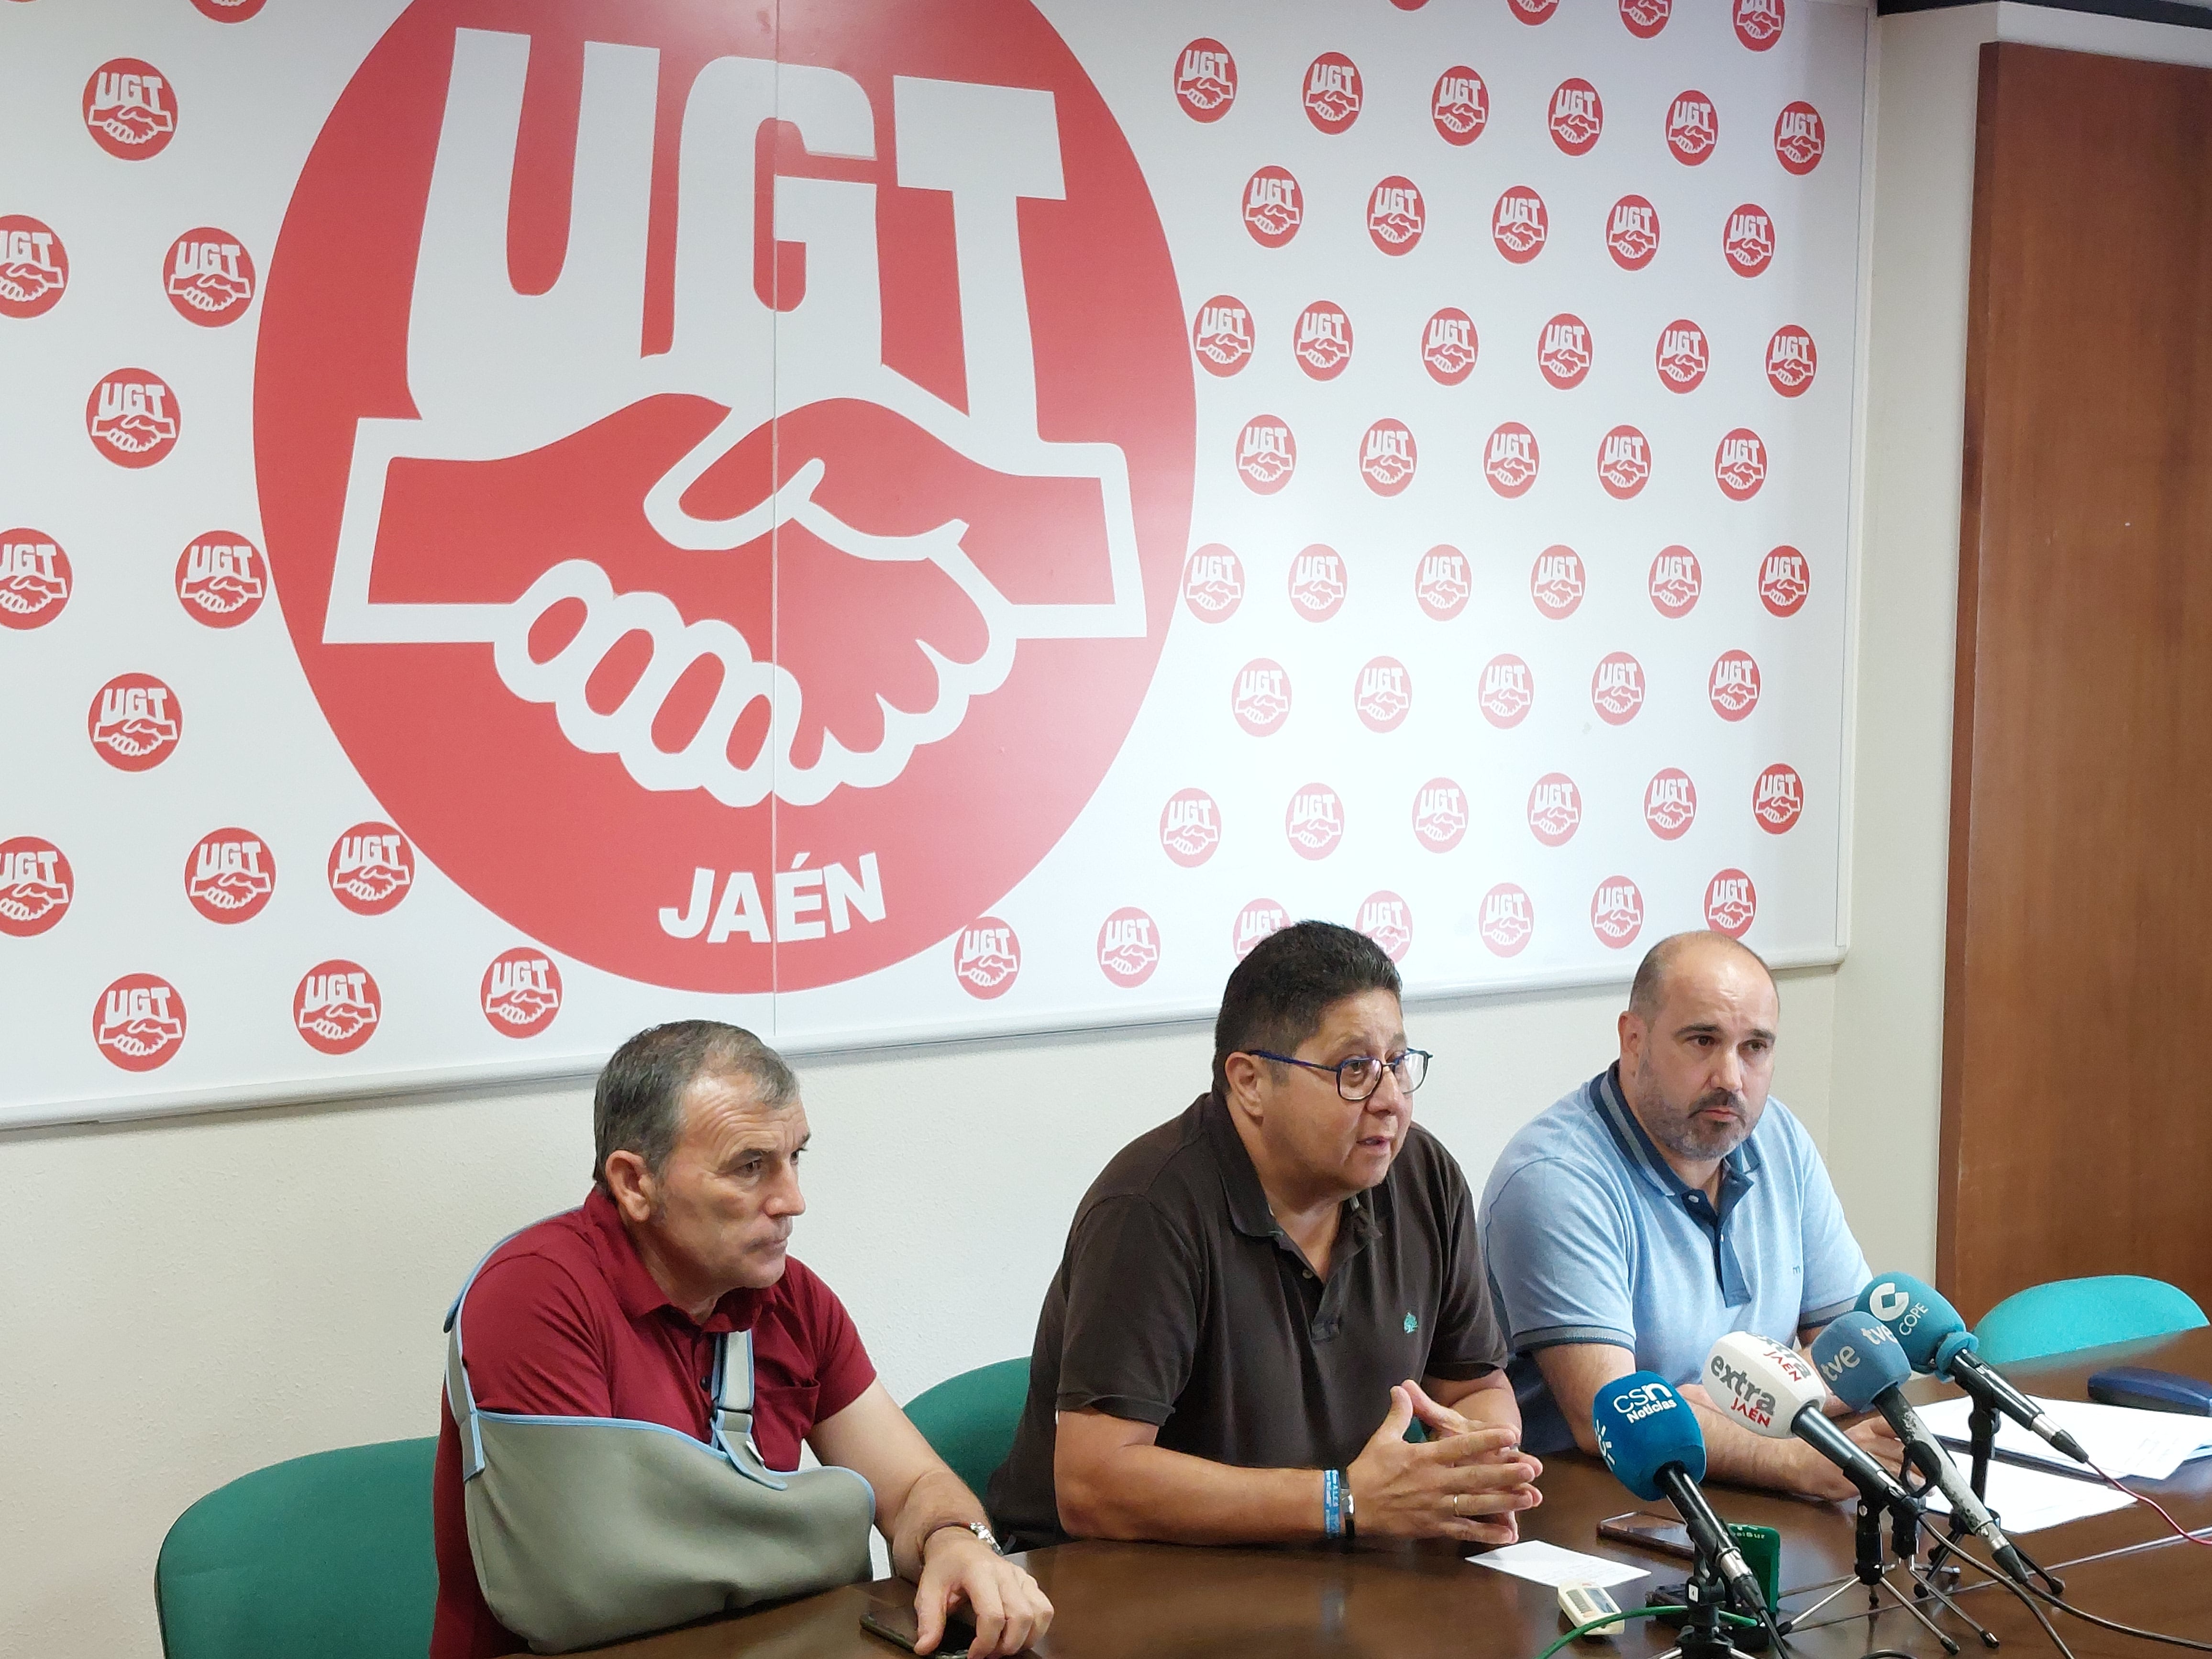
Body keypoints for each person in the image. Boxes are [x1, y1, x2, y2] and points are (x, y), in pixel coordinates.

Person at [431, 1021, 1050, 1659]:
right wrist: (823, 1532)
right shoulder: (535, 1293)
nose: (793, 1200)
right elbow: (590, 1598)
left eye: (795, 1157)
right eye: (750, 1167)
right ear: (635, 1183)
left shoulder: (794, 1299)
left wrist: (956, 1541)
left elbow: (912, 1486)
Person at [988, 921, 1543, 1551]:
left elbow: (1473, 1383)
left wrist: (1477, 1466)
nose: (1390, 1099)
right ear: (1251, 1081)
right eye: (1354, 1069)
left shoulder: (1422, 1177)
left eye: (1397, 1062)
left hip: (1330, 1568)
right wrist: (1343, 1500)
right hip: (1121, 1584)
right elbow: (1094, 1484)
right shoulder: (1149, 1210)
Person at [1478, 931, 1901, 1499]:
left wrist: (1714, 1400)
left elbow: (1857, 1351)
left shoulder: (1778, 1138)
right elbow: (1613, 1417)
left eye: (1755, 1047)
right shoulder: (1553, 1178)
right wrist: (1791, 1454)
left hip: (1758, 1499)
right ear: (1634, 1040)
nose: (1730, 1078)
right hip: (1597, 1513)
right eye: (1702, 1041)